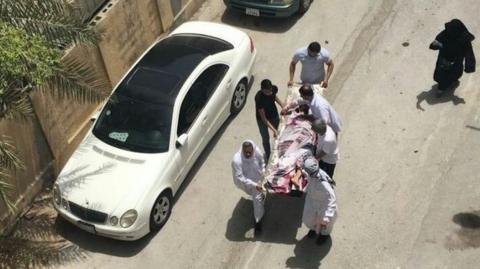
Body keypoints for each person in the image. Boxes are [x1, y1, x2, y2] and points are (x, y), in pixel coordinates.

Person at [292, 156, 337, 245]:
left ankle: (324, 235)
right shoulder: (311, 172)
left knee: (325, 225)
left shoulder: (323, 183)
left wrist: (327, 217)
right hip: (312, 200)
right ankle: (314, 229)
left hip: (324, 204)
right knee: (308, 218)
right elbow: (302, 168)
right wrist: (297, 174)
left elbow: (332, 199)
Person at [430, 19, 476, 97]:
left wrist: (469, 66)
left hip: (456, 61)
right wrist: (434, 45)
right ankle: (441, 89)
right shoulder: (445, 34)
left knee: (454, 74)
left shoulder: (464, 38)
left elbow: (469, 53)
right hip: (443, 59)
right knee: (441, 75)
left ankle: (450, 83)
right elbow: (436, 43)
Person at [231, 140, 266, 235]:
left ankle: (258, 221)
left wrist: (263, 170)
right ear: (242, 149)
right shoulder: (237, 160)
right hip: (246, 182)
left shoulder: (256, 150)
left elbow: (261, 161)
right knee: (253, 194)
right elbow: (241, 177)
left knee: (257, 201)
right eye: (245, 152)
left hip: (257, 179)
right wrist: (255, 185)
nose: (248, 154)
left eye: (250, 152)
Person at [255, 79, 285, 161]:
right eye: (267, 92)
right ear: (262, 89)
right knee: (265, 138)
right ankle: (268, 157)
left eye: (270, 91)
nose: (269, 93)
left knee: (281, 133)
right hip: (262, 119)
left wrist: (283, 106)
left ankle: (280, 150)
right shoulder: (259, 98)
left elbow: (275, 97)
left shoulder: (272, 89)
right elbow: (264, 119)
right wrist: (274, 130)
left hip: (273, 114)